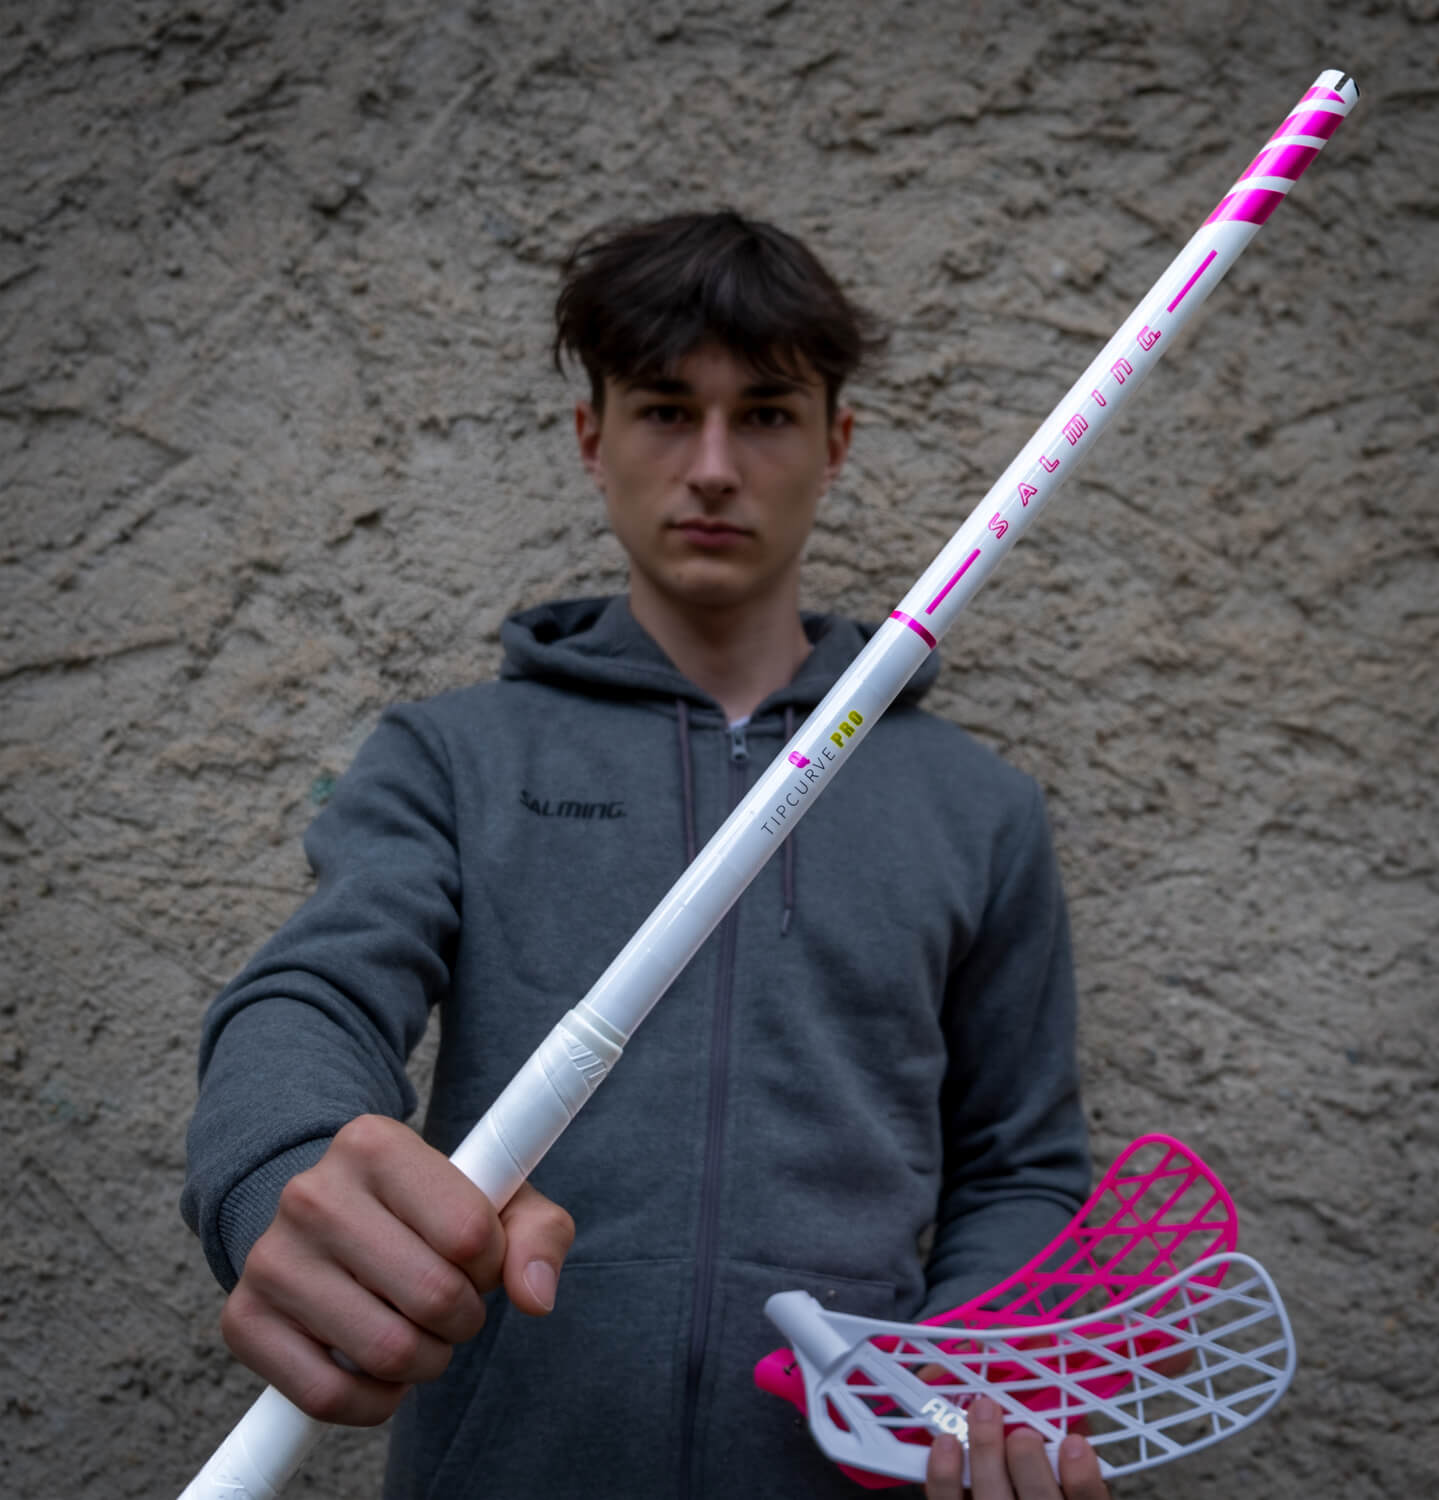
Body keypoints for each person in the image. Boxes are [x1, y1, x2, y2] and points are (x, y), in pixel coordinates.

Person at [181, 210, 1100, 1500]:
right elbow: (313, 996)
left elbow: (1021, 1163)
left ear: (835, 444)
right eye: (667, 410)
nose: (713, 467)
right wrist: (286, 1172)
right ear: (591, 437)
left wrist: (960, 1387)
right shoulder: (458, 756)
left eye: (765, 414)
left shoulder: (974, 805)